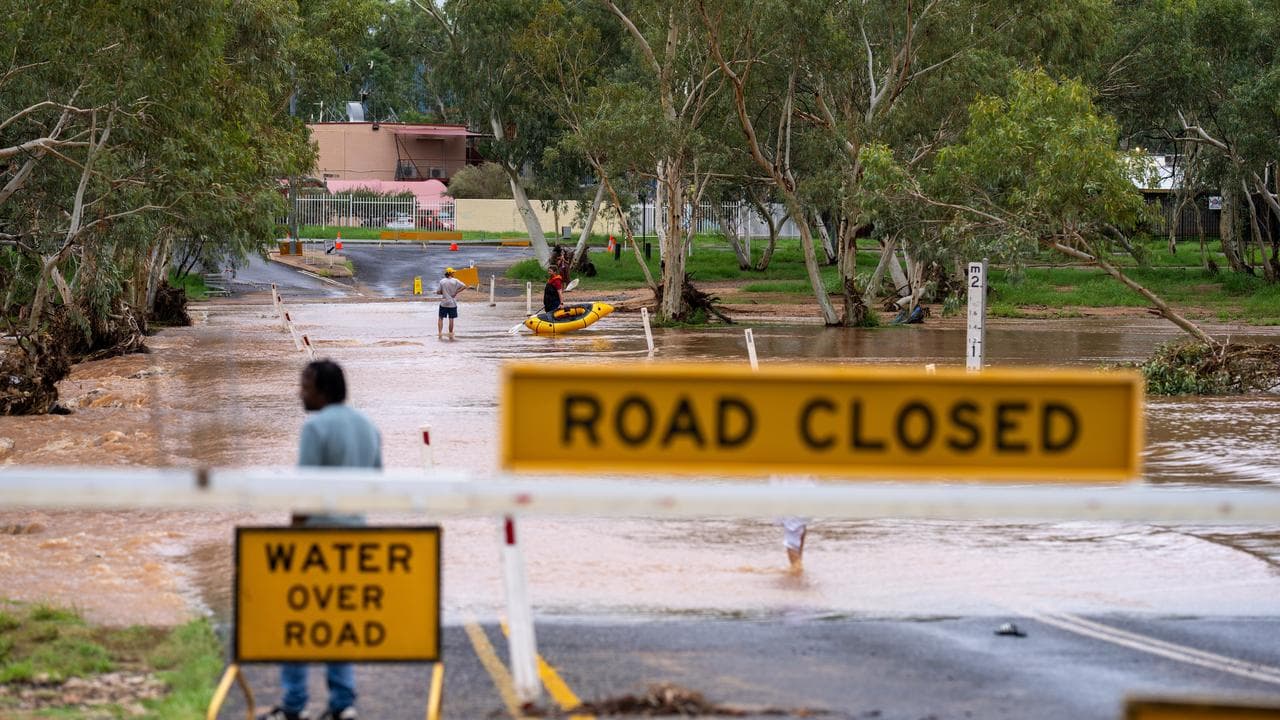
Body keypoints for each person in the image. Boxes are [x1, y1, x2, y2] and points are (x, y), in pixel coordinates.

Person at [260, 360, 382, 720]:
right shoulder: (368, 427)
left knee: (296, 622)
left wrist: (291, 539)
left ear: (323, 390)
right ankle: (344, 702)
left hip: (316, 541)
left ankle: (294, 704)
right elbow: (379, 486)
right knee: (339, 621)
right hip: (356, 538)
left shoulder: (315, 428)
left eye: (305, 386)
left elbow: (306, 493)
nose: (300, 392)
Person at [436, 267, 468, 337]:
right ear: (450, 273)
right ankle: (450, 333)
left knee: (440, 318)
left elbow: (438, 292)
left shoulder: (442, 281)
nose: (454, 273)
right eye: (453, 272)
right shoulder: (455, 281)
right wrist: (456, 292)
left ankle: (440, 333)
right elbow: (464, 286)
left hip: (444, 303)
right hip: (452, 303)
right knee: (451, 319)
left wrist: (444, 293)